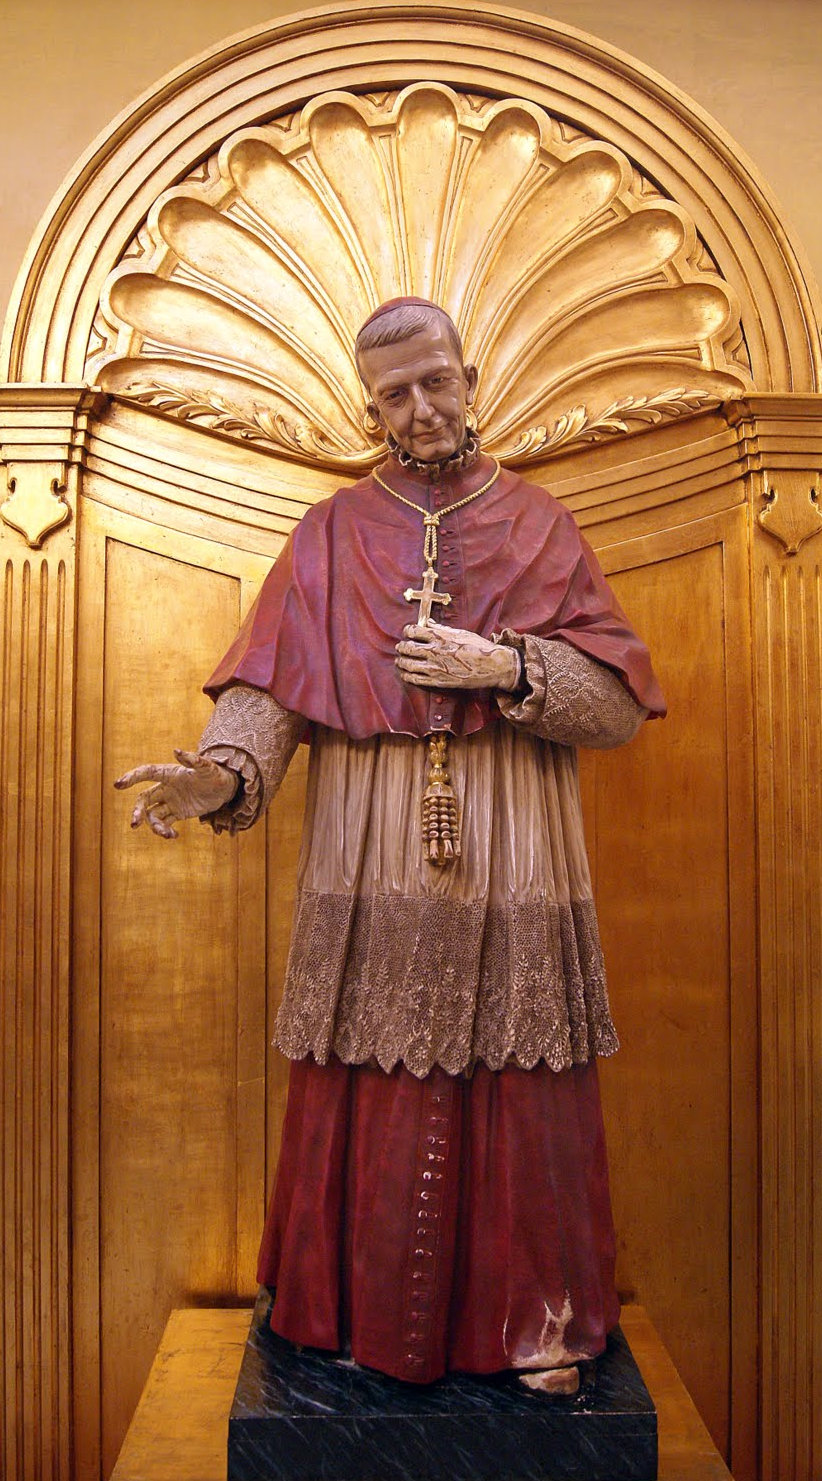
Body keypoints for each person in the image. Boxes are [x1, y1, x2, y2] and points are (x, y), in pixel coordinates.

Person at [116, 296, 665, 1392]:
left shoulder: (541, 523)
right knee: (367, 1066)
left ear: (471, 376)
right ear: (371, 406)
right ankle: (355, 1313)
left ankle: (534, 1318)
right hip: (367, 848)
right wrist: (217, 772)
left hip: (519, 842)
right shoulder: (330, 531)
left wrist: (505, 668)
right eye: (394, 395)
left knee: (525, 1070)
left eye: (436, 382)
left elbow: (615, 707)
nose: (420, 410)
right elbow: (268, 690)